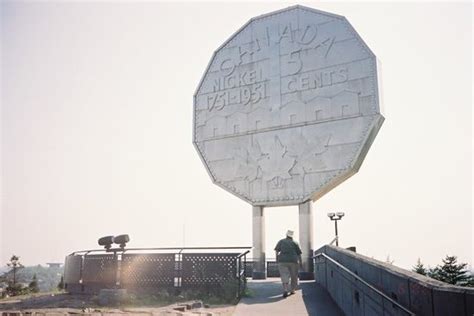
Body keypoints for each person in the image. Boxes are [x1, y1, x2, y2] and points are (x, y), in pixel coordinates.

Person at [274, 230, 303, 298]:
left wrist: (277, 258)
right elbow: (299, 254)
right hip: (293, 261)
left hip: (282, 261)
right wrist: (300, 262)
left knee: (284, 275)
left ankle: (285, 289)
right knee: (294, 276)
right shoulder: (295, 243)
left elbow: (277, 251)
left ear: (286, 235)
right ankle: (292, 290)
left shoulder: (281, 241)